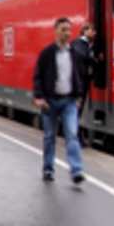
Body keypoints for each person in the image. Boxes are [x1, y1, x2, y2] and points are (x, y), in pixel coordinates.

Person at [32, 17, 85, 184]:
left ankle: (76, 170)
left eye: (69, 30)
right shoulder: (47, 53)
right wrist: (39, 97)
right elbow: (37, 76)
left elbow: (78, 76)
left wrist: (78, 96)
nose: (67, 33)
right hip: (50, 102)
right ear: (56, 31)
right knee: (49, 137)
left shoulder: (74, 54)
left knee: (72, 135)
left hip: (69, 101)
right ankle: (48, 169)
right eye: (63, 30)